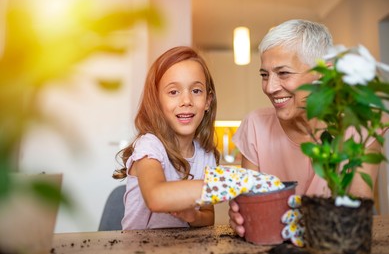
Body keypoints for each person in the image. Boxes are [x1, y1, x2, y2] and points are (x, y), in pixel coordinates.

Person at [228, 19, 385, 237]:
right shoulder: (255, 125)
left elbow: (358, 205)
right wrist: (242, 218)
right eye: (264, 75)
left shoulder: (360, 124)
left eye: (283, 73)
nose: (270, 87)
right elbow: (250, 206)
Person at [113, 46, 219, 230]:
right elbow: (156, 197)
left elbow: (208, 217)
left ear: (208, 101)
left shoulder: (206, 155)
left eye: (196, 91)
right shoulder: (150, 146)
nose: (186, 101)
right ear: (157, 101)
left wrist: (194, 216)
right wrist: (227, 184)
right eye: (173, 92)